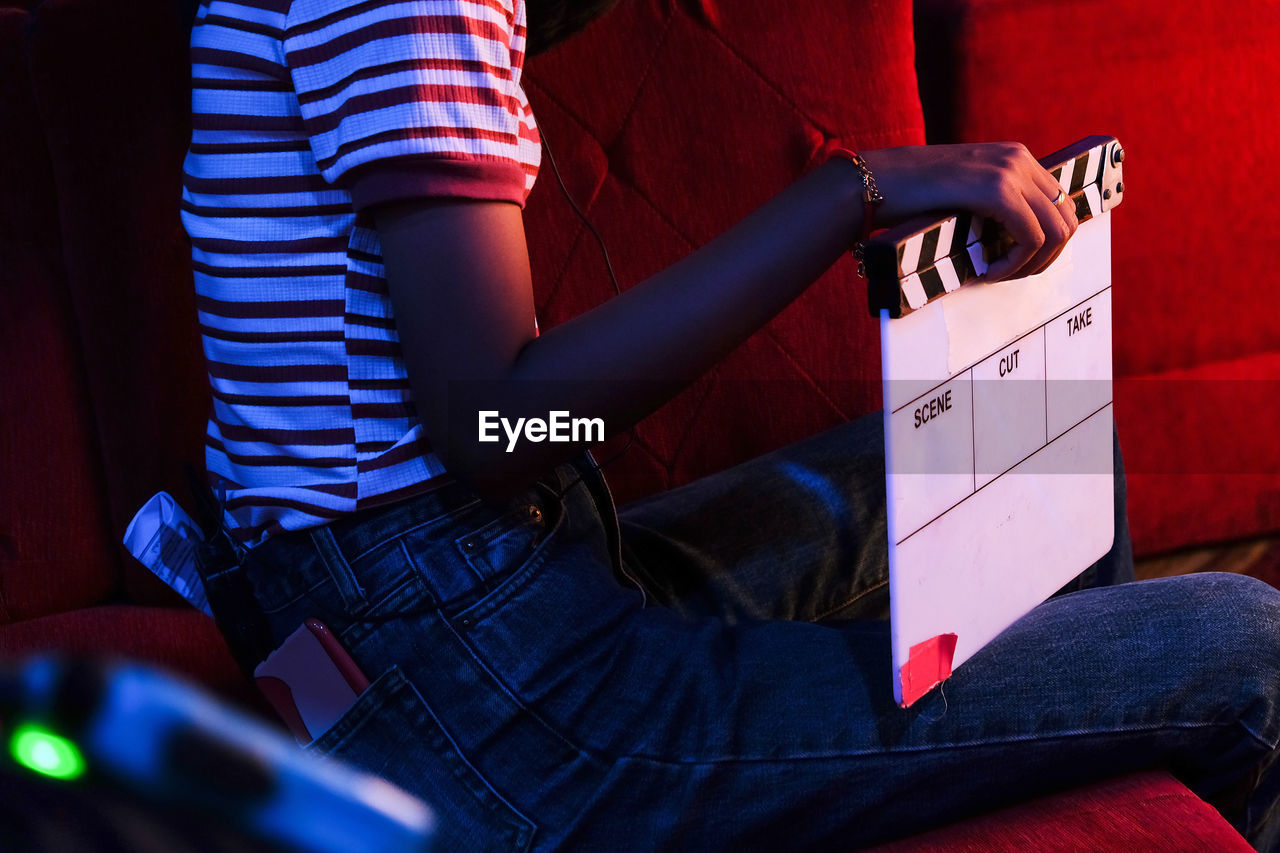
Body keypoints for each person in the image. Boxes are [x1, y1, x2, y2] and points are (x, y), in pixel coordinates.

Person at [183, 0, 1280, 848]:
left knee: (1038, 443)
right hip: (483, 686)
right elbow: (492, 429)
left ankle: (1074, 759)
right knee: (1253, 645)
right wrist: (848, 192)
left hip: (473, 580)